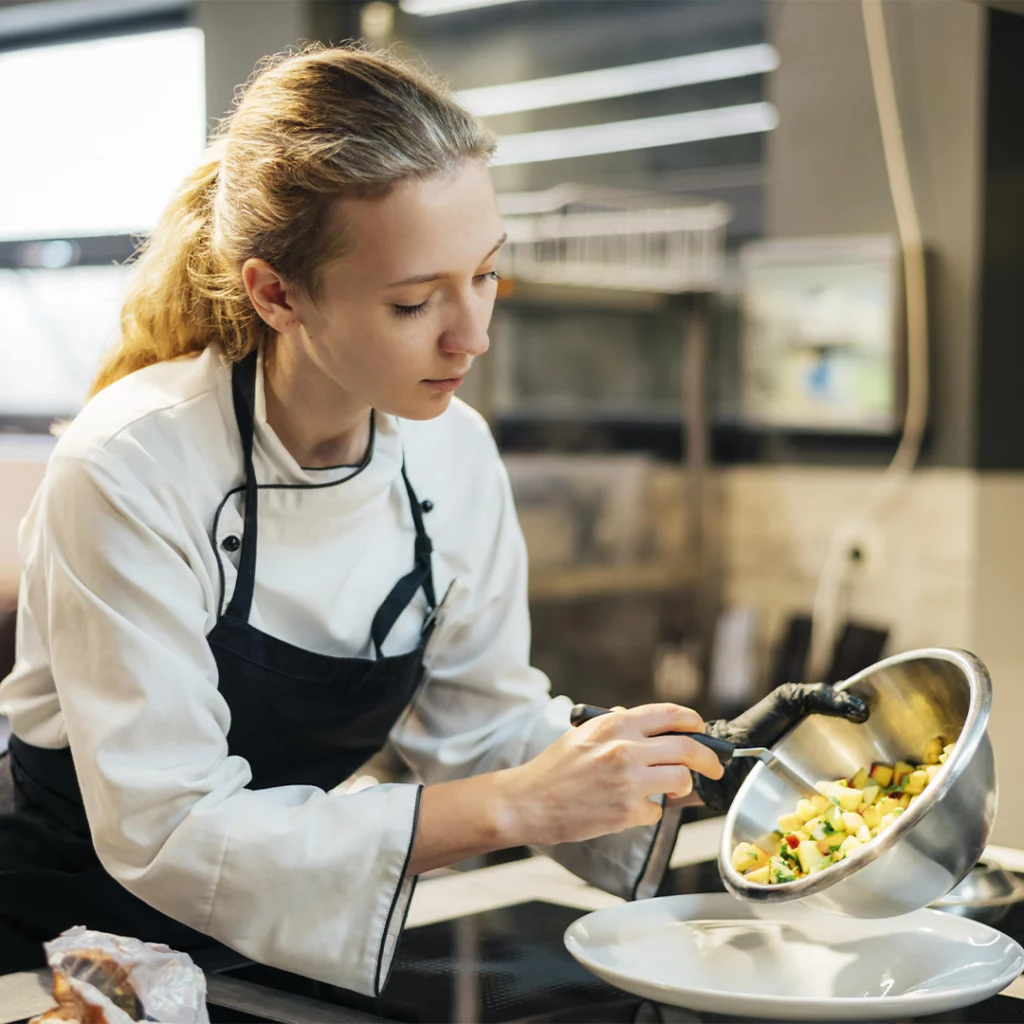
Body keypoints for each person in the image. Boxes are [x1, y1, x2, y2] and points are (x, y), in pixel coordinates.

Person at [0, 45, 867, 993]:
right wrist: (510, 807)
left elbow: (483, 728)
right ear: (276, 293)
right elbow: (169, 828)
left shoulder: (451, 451)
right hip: (63, 951)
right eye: (415, 301)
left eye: (487, 276)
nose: (473, 335)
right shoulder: (132, 463)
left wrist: (693, 770)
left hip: (281, 933)